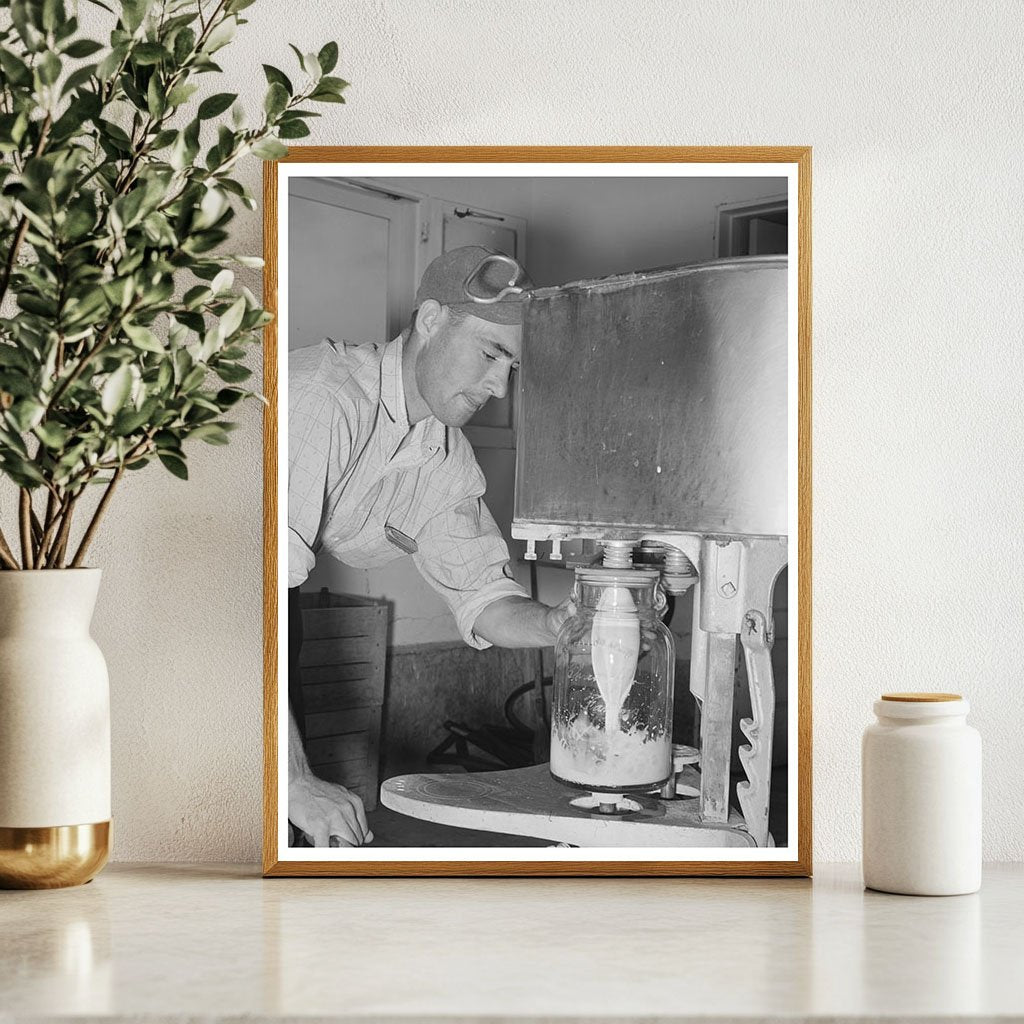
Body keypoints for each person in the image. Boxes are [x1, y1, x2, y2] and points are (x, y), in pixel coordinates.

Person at [287, 246, 571, 847]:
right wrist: (291, 782)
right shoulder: (322, 397)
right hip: (194, 603)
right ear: (431, 319)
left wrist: (564, 626)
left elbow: (484, 597)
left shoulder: (443, 457)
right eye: (491, 353)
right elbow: (238, 597)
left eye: (512, 369)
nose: (498, 387)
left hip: (262, 615)